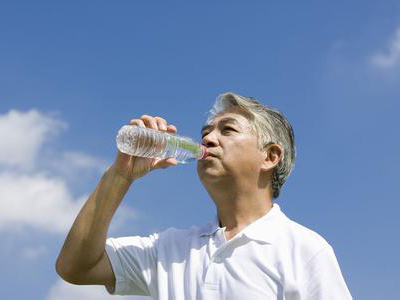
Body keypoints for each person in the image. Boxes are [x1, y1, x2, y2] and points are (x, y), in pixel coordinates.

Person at [56, 92, 352, 299]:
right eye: (206, 131)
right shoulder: (167, 249)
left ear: (270, 156)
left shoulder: (304, 250)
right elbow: (76, 266)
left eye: (228, 130)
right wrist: (120, 176)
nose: (208, 139)